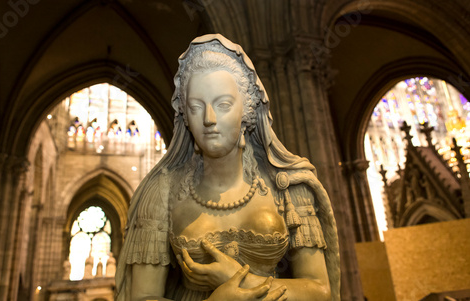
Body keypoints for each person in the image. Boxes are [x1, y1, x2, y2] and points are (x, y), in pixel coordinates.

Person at [115, 34, 340, 301]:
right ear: (185, 117)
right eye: (196, 107)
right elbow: (141, 297)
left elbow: (320, 290)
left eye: (223, 105)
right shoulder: (162, 191)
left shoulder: (289, 188)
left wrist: (237, 280)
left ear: (246, 110)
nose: (209, 119)